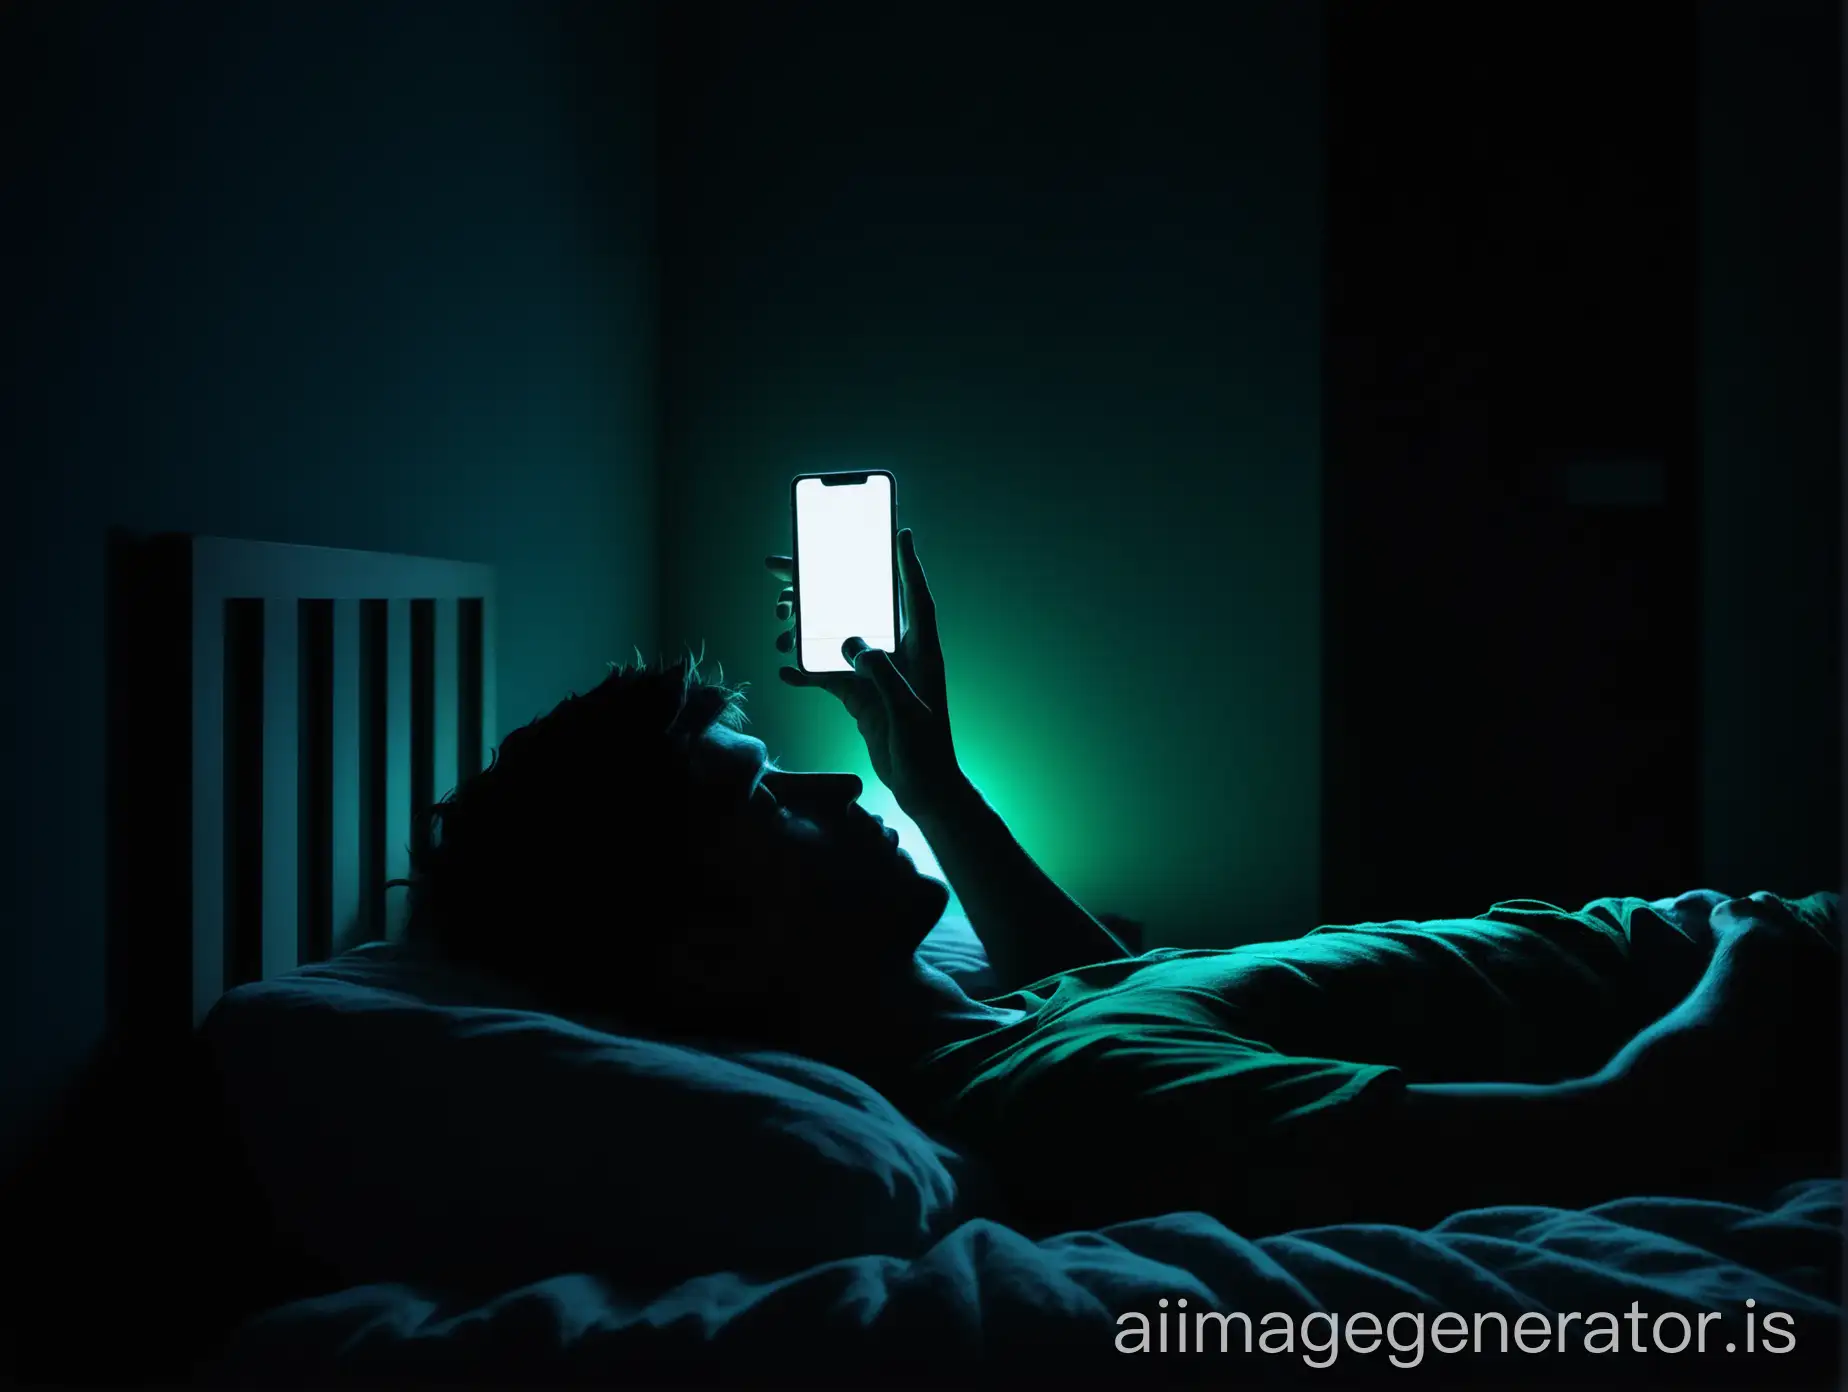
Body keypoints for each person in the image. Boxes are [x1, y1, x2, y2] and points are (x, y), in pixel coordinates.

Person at [405, 529, 1840, 1236]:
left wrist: (931, 775)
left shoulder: (1017, 1029)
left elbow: (1094, 985)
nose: (824, 785)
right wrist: (1755, 941)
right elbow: (1611, 1131)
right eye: (762, 793)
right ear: (711, 956)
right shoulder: (1064, 1096)